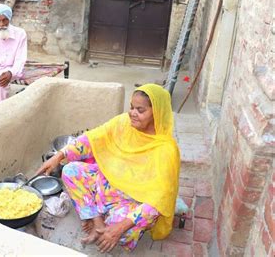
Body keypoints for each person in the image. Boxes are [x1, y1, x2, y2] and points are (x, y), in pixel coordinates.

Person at [37, 84, 180, 253]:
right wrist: (59, 156)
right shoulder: (123, 123)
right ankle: (97, 222)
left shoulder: (166, 149)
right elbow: (92, 138)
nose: (133, 113)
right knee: (70, 171)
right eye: (132, 107)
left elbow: (158, 201)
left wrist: (119, 228)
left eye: (140, 110)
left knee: (120, 231)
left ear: (156, 113)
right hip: (107, 183)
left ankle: (104, 223)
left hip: (133, 200)